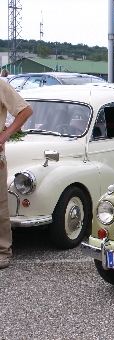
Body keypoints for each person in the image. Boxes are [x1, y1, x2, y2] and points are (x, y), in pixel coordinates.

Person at [0, 79, 33, 269]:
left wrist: (5, 135)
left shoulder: (1, 85)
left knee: (0, 205)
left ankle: (2, 251)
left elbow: (25, 111)